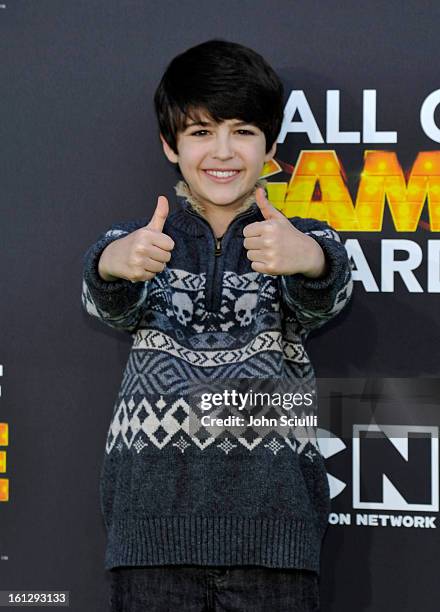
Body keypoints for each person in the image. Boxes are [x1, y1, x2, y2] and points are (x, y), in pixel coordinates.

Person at [81, 39, 353, 612]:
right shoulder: (142, 243)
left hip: (275, 546)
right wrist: (112, 264)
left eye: (243, 131)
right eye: (201, 131)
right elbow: (104, 299)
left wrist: (309, 259)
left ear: (270, 144)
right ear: (169, 144)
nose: (223, 152)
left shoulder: (302, 241)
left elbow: (326, 295)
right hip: (149, 545)